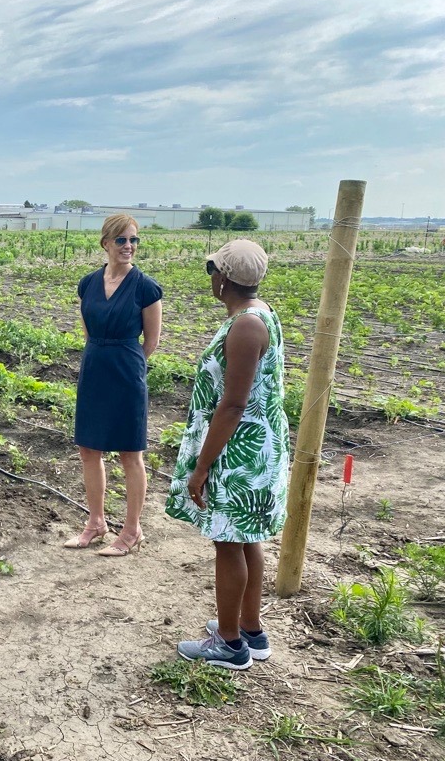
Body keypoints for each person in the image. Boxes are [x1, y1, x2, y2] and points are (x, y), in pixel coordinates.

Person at [165, 239, 290, 670]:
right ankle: (250, 630)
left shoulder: (245, 326)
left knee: (228, 544)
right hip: (253, 449)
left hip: (238, 454)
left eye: (212, 269)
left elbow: (234, 404)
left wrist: (202, 467)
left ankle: (230, 643)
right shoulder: (259, 314)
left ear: (224, 278)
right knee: (246, 539)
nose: (211, 276)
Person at [65, 214, 163, 556]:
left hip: (126, 370)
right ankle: (96, 523)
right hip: (94, 366)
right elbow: (88, 329)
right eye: (121, 240)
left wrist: (128, 364)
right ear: (106, 243)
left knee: (129, 452)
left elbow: (150, 342)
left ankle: (132, 529)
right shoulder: (87, 283)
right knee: (89, 449)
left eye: (133, 240)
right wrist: (100, 354)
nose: (128, 246)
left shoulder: (146, 287)